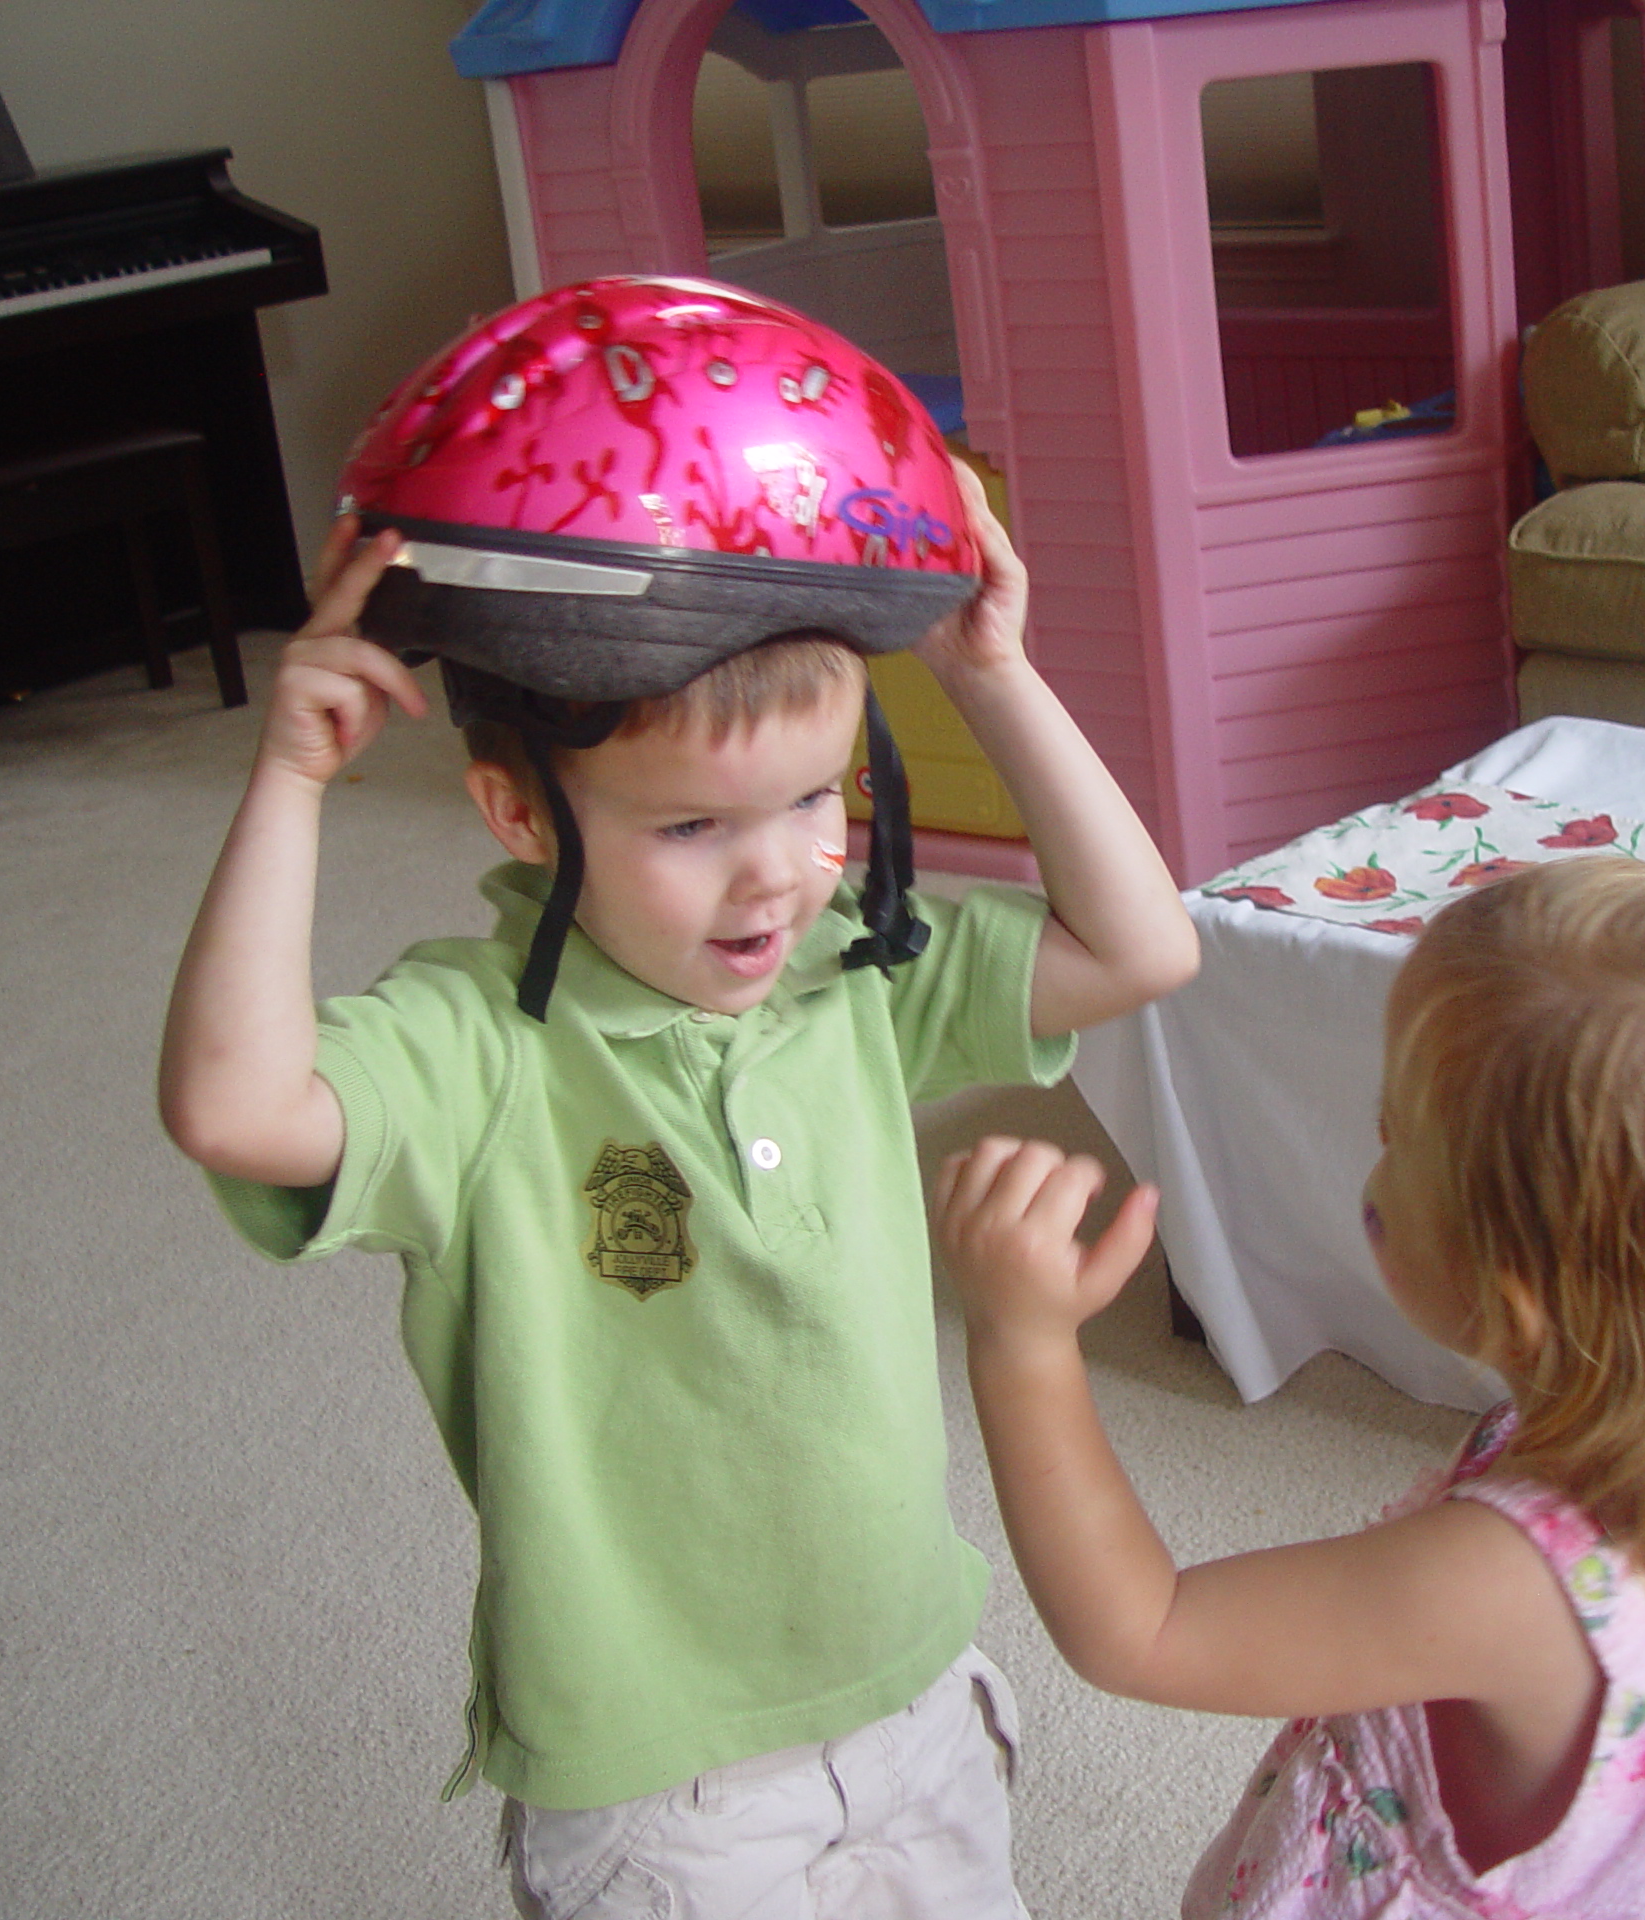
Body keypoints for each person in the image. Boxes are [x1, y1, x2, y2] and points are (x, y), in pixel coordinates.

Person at [158, 278, 1197, 1919]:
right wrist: (288, 779)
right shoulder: (478, 1042)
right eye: (692, 829)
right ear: (518, 815)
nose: (777, 873)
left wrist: (988, 672)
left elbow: (1142, 944)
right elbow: (235, 1107)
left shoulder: (856, 966)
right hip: (661, 1773)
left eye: (814, 800)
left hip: (918, 1678)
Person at [935, 856, 1645, 1917]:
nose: (1375, 1139)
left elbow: (1144, 1630)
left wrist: (1021, 1343)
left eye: (1398, 1130)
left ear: (1510, 1301)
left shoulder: (1510, 1582)